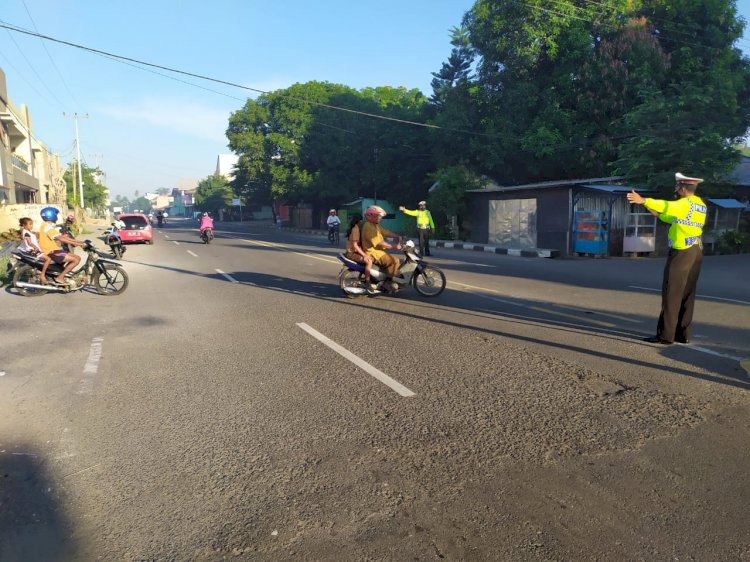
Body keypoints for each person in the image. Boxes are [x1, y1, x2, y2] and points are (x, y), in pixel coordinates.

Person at [627, 172, 708, 345]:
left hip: (682, 252)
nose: (676, 188)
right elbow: (669, 216)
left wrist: (643, 200)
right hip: (696, 250)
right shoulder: (699, 205)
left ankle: (666, 336)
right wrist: (654, 212)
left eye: (678, 186)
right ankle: (682, 334)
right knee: (688, 293)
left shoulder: (684, 204)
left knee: (672, 293)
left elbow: (666, 205)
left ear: (684, 188)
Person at [37, 207, 84, 285]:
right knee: (76, 260)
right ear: (51, 215)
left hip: (54, 250)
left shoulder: (47, 225)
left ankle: (63, 274)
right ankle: (60, 277)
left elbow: (63, 237)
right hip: (51, 252)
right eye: (55, 214)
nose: (57, 216)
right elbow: (60, 239)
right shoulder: (47, 227)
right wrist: (78, 244)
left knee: (77, 257)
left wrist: (79, 242)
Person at [360, 205, 401, 291]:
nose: (379, 218)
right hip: (372, 252)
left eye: (379, 216)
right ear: (371, 216)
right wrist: (394, 246)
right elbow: (379, 243)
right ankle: (387, 283)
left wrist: (397, 236)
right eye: (378, 216)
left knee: (390, 258)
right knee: (395, 261)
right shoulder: (368, 226)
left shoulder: (375, 225)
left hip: (377, 251)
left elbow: (385, 232)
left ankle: (384, 277)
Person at [18, 217, 52, 284]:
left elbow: (34, 240)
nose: (31, 226)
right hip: (33, 251)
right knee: (48, 259)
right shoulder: (26, 233)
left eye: (32, 224)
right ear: (24, 225)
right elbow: (29, 242)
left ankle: (44, 273)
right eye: (30, 224)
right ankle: (42, 275)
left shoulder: (28, 232)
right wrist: (35, 247)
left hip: (35, 250)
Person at [344, 214, 374, 285]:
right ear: (359, 221)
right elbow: (355, 245)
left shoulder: (356, 228)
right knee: (369, 261)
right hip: (351, 254)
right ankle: (367, 281)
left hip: (354, 252)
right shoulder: (355, 229)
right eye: (362, 220)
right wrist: (364, 255)